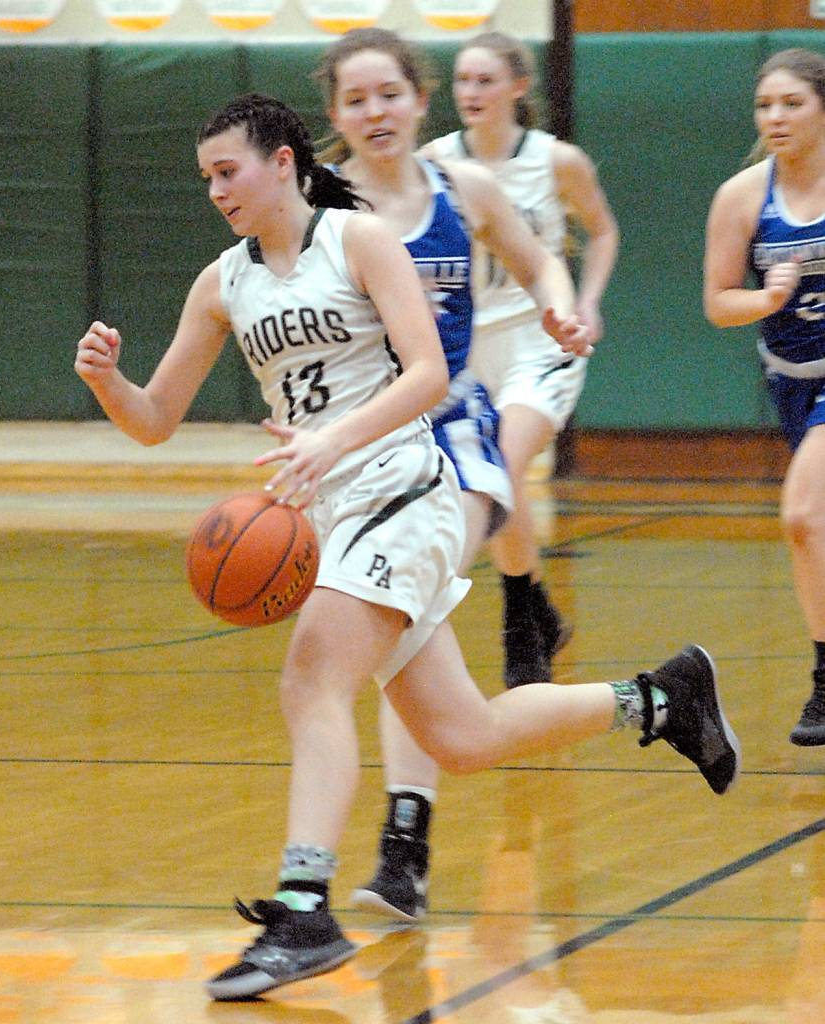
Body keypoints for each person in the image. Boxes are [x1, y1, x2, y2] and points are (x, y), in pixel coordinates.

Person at [76, 92, 740, 1004]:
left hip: (405, 490)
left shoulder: (359, 241)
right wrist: (111, 383)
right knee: (462, 737)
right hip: (331, 514)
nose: (216, 191)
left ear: (283, 162)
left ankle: (305, 909)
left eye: (227, 171)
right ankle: (662, 699)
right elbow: (155, 420)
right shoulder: (221, 282)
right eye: (205, 178)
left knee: (311, 678)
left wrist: (331, 440)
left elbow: (428, 374)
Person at [314, 27, 615, 922]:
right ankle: (651, 700)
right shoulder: (319, 207)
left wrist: (559, 312)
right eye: (354, 100)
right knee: (414, 664)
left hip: (455, 438)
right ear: (334, 116)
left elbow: (539, 262)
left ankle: (402, 847)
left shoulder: (464, 187)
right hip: (362, 453)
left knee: (393, 621)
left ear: (419, 99)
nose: (374, 112)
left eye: (388, 95)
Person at [424, 31, 619, 690]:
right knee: (487, 476)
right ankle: (538, 609)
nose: (470, 93)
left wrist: (585, 300)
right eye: (461, 81)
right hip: (467, 346)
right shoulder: (433, 163)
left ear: (516, 87)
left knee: (501, 462)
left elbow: (603, 230)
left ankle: (519, 628)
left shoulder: (556, 161)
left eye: (483, 80)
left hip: (542, 335)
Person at [704, 47, 825, 748]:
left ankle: (820, 676)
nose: (774, 117)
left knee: (802, 516)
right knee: (815, 529)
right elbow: (718, 303)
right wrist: (768, 297)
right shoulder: (742, 196)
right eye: (763, 106)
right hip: (788, 379)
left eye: (791, 103)